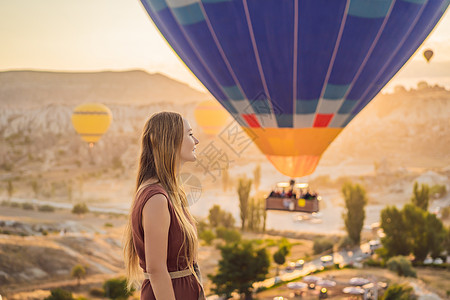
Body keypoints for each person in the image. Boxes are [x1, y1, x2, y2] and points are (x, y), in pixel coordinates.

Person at [123, 112, 204, 299]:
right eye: (190, 134)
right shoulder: (157, 199)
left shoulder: (170, 194)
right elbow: (156, 270)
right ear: (172, 141)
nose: (197, 141)